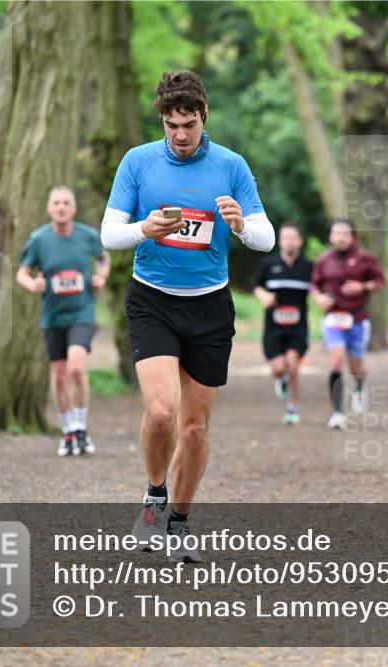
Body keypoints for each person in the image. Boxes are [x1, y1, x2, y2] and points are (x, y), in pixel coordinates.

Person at [100, 71, 274, 563]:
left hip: (210, 305)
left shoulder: (231, 166)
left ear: (204, 118)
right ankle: (154, 499)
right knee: (160, 411)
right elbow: (109, 234)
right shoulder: (138, 162)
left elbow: (266, 236)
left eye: (189, 125)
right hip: (152, 299)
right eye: (171, 124)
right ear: (161, 118)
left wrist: (241, 225)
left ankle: (179, 523)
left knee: (195, 429)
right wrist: (143, 229)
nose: (179, 135)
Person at [16, 186, 109, 457]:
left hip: (82, 313)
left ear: (74, 207)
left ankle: (81, 427)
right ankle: (67, 431)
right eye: (56, 203)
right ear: (49, 208)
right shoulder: (38, 240)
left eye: (66, 202)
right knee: (58, 375)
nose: (61, 207)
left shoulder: (87, 236)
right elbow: (22, 272)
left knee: (77, 368)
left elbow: (104, 259)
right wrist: (32, 284)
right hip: (53, 316)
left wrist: (101, 277)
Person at [310, 219, 385, 430]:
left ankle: (360, 388)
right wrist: (318, 297)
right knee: (335, 361)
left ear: (352, 236)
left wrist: (363, 287)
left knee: (356, 367)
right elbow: (315, 285)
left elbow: (380, 281)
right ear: (331, 236)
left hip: (358, 319)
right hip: (333, 318)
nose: (340, 237)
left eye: (345, 233)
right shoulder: (324, 260)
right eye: (336, 233)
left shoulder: (365, 258)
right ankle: (337, 413)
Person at [253, 223, 313, 425]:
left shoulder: (309, 267)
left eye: (293, 237)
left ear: (300, 241)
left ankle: (292, 408)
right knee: (279, 368)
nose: (289, 241)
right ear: (279, 241)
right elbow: (256, 286)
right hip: (274, 328)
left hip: (298, 327)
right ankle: (281, 379)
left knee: (293, 364)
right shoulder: (269, 265)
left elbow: (320, 288)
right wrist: (263, 296)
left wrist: (322, 297)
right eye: (285, 237)